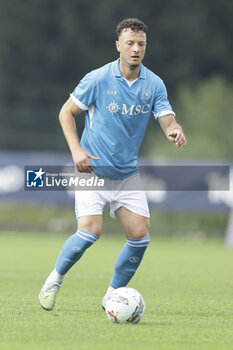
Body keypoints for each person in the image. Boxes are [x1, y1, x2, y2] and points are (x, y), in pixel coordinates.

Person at [39, 18, 186, 311]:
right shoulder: (97, 79)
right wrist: (76, 150)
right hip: (91, 171)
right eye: (130, 43)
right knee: (90, 232)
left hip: (127, 175)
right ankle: (54, 280)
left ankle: (113, 297)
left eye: (141, 44)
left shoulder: (154, 84)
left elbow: (167, 118)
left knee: (140, 238)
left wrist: (174, 129)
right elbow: (66, 113)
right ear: (118, 45)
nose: (135, 49)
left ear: (146, 47)